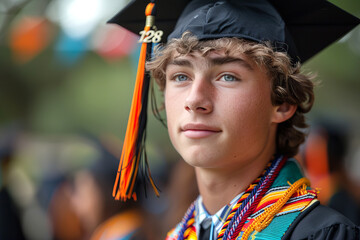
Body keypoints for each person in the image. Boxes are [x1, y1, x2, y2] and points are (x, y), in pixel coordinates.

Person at [108, 0, 360, 239]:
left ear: (283, 102)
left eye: (227, 76)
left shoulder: (324, 234)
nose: (194, 100)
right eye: (181, 77)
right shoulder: (177, 234)